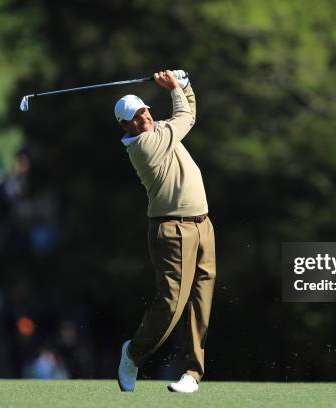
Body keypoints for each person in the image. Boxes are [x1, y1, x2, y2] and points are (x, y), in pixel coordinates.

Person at [115, 70, 216, 393]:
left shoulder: (159, 129)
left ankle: (192, 373)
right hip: (172, 230)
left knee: (201, 299)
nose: (144, 116)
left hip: (203, 225)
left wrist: (185, 84)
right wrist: (176, 87)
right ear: (126, 126)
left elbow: (189, 113)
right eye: (136, 116)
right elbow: (185, 117)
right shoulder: (144, 145)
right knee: (172, 303)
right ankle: (133, 354)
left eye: (145, 110)